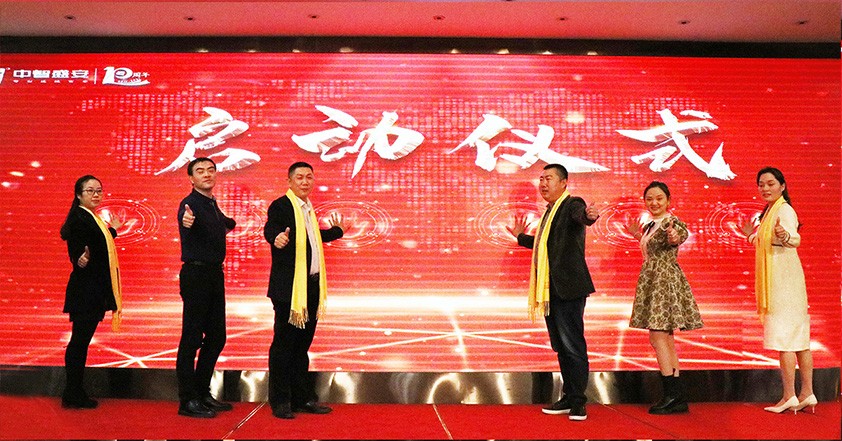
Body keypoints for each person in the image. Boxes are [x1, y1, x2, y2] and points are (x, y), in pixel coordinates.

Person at [506, 163, 599, 421]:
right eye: (541, 179)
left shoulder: (571, 205)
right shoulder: (549, 212)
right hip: (552, 290)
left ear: (564, 182)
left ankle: (578, 402)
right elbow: (544, 244)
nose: (543, 183)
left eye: (548, 178)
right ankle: (569, 397)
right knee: (562, 347)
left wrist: (590, 216)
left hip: (568, 288)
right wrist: (520, 237)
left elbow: (582, 216)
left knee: (573, 345)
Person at [264, 161, 352, 419]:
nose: (304, 181)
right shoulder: (281, 206)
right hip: (289, 290)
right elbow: (272, 228)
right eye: (299, 177)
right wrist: (276, 238)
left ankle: (301, 398)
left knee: (301, 347)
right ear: (289, 181)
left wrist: (337, 231)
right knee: (283, 346)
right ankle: (280, 401)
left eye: (309, 177)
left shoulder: (308, 209)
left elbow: (314, 239)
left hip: (310, 288)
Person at [741, 167, 815, 414]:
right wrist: (751, 236)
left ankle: (789, 396)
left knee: (786, 340)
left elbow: (793, 238)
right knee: (799, 340)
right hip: (785, 282)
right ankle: (807, 393)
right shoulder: (770, 211)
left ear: (782, 186)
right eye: (761, 184)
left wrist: (785, 236)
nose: (765, 188)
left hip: (784, 285)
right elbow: (767, 242)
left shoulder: (784, 210)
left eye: (770, 183)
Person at [625, 181, 703, 415]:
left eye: (659, 198)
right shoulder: (651, 224)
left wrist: (673, 236)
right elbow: (653, 246)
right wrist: (637, 234)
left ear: (668, 200)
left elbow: (677, 236)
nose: (654, 202)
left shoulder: (671, 222)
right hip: (654, 280)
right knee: (665, 338)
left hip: (663, 282)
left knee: (658, 337)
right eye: (649, 199)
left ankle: (672, 394)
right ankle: (676, 395)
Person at [175, 157, 236, 418]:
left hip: (213, 275)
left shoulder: (211, 203)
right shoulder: (190, 204)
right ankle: (187, 400)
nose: (207, 174)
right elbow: (186, 220)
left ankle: (201, 392)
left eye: (211, 170)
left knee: (217, 336)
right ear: (191, 178)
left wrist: (229, 224)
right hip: (196, 274)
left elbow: (223, 222)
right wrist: (186, 222)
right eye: (200, 171)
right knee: (191, 338)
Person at [59, 175, 123, 409]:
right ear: (79, 195)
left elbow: (97, 245)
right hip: (85, 291)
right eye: (90, 191)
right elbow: (79, 250)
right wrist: (80, 259)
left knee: (80, 342)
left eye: (99, 190)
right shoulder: (80, 219)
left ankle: (74, 391)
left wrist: (112, 230)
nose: (96, 195)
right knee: (79, 342)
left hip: (91, 290)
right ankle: (72, 393)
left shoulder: (90, 217)